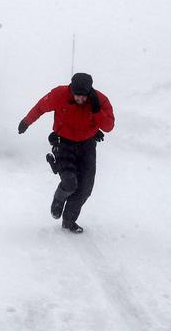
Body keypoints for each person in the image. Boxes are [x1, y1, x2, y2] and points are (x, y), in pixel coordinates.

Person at [17, 73, 114, 233]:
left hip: (87, 146)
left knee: (85, 188)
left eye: (84, 97)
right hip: (64, 143)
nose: (80, 100)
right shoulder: (59, 94)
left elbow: (109, 126)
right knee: (70, 183)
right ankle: (59, 198)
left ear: (90, 92)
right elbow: (40, 107)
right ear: (71, 89)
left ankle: (69, 221)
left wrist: (97, 110)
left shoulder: (100, 100)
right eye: (77, 96)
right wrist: (27, 121)